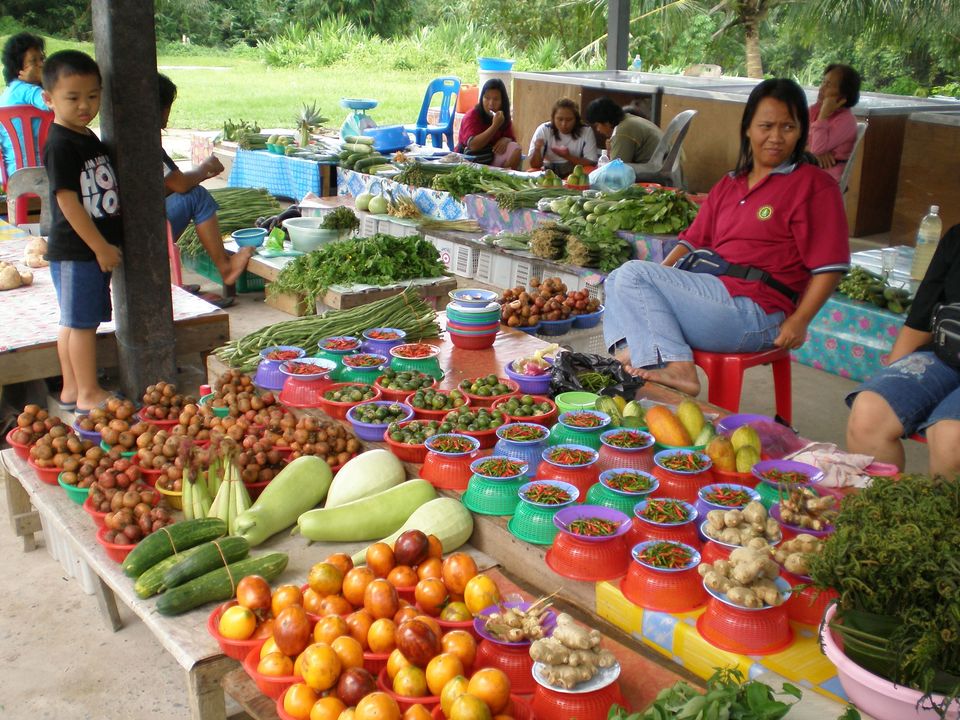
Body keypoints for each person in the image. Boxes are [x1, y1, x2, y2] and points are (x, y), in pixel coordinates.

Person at [603, 79, 850, 396]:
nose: (776, 137)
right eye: (766, 126)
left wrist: (800, 320)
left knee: (633, 275)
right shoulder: (730, 184)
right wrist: (657, 277)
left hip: (757, 312)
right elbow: (691, 242)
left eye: (788, 127)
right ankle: (634, 363)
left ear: (801, 131)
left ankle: (678, 369)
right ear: (748, 128)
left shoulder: (814, 186)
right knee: (617, 280)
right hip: (713, 298)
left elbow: (830, 266)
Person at [41, 50, 122, 412]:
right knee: (83, 325)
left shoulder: (85, 135)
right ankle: (89, 393)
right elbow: (67, 203)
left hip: (84, 251)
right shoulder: (60, 143)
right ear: (49, 100)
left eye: (93, 96)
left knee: (73, 322)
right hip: (78, 250)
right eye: (72, 98)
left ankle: (72, 389)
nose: (85, 105)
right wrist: (100, 247)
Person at [846, 226, 960, 475]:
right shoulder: (957, 238)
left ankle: (941, 514)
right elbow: (921, 317)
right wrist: (890, 383)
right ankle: (885, 510)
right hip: (947, 354)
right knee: (870, 411)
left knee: (951, 436)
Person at [158, 74, 251, 290]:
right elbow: (180, 184)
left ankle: (166, 285)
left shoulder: (129, 134)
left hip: (129, 224)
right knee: (196, 196)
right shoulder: (144, 141)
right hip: (143, 229)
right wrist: (204, 169)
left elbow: (168, 183)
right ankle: (226, 268)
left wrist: (200, 173)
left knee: (187, 192)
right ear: (160, 108)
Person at [0, 32, 49, 181]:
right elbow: (57, 103)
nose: (41, 64)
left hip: (13, 174)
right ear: (19, 70)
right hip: (43, 172)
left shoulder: (7, 93)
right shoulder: (29, 91)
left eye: (42, 59)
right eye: (34, 61)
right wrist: (45, 79)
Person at [808, 63, 861, 183]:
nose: (822, 88)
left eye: (829, 85)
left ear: (843, 94)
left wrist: (822, 117)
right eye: (823, 82)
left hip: (826, 180)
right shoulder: (813, 110)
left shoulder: (846, 120)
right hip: (809, 170)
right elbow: (794, 141)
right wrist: (808, 150)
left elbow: (816, 148)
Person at [456, 78, 521, 170]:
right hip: (468, 162)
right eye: (487, 98)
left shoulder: (502, 116)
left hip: (491, 158)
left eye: (496, 99)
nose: (491, 103)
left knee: (515, 148)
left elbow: (512, 138)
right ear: (481, 98)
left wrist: (506, 139)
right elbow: (473, 145)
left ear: (503, 102)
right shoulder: (472, 116)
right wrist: (495, 126)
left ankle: (502, 178)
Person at [584, 96, 663, 169]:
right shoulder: (628, 120)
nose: (598, 129)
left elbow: (616, 169)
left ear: (606, 122)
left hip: (656, 171)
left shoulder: (623, 131)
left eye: (597, 125)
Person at [527, 98, 598, 177]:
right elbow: (534, 165)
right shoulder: (544, 129)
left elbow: (592, 162)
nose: (564, 124)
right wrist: (537, 149)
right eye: (560, 119)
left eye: (569, 120)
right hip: (548, 171)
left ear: (576, 119)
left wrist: (567, 156)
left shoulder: (586, 131)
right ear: (553, 118)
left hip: (575, 172)